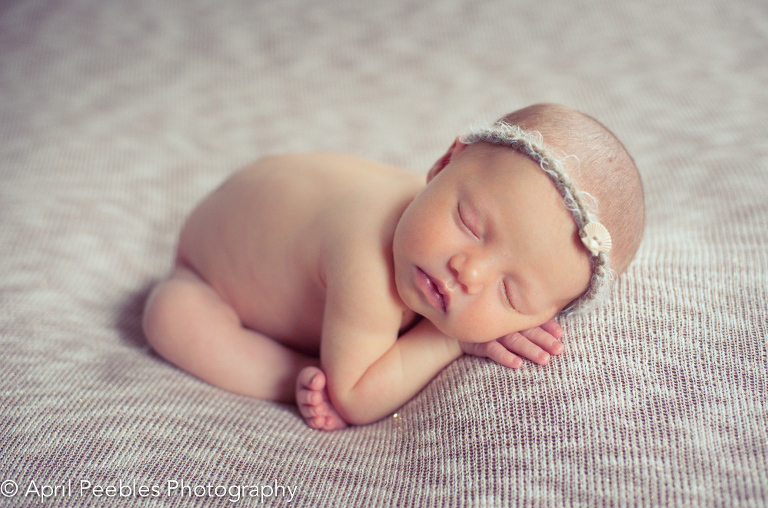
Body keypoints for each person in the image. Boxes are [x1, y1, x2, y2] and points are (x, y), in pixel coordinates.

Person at [142, 103, 645, 431]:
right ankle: (288, 371)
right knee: (170, 318)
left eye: (510, 294)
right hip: (210, 265)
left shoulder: (429, 227)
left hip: (278, 194)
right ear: (444, 164)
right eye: (469, 224)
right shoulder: (368, 263)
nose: (468, 273)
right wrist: (448, 338)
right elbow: (357, 397)